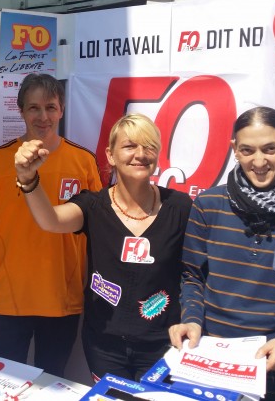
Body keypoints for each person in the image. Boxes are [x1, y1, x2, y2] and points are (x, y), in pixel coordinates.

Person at [14, 113, 192, 382]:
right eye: (130, 146)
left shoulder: (179, 207)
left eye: (149, 147)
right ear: (110, 155)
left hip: (162, 345)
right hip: (105, 346)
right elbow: (50, 220)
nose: (140, 154)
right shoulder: (94, 206)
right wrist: (28, 179)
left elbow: (194, 274)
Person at [0, 73, 102, 378]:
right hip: (8, 301)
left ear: (62, 110)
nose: (43, 116)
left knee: (50, 385)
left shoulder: (83, 161)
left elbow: (98, 232)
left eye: (50, 107)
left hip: (63, 301)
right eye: (34, 108)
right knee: (2, 386)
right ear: (21, 111)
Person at [169, 106, 275, 397]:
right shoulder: (208, 205)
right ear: (234, 150)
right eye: (247, 150)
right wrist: (191, 320)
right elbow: (192, 277)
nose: (259, 161)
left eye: (270, 149)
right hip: (212, 359)